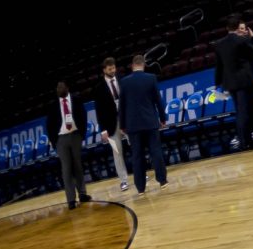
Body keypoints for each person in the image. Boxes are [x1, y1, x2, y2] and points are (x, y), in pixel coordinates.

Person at [119, 54, 169, 193]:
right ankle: (162, 180)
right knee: (156, 151)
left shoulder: (124, 82)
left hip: (133, 125)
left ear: (132, 65)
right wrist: (163, 118)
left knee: (137, 156)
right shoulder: (151, 78)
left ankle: (140, 188)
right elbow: (158, 100)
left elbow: (122, 106)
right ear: (144, 64)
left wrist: (122, 125)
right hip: (150, 122)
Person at [214, 15, 253, 150]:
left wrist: (217, 83)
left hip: (230, 83)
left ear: (226, 28)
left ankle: (245, 139)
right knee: (243, 112)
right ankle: (244, 141)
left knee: (239, 111)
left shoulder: (219, 44)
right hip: (244, 81)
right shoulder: (241, 40)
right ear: (237, 27)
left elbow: (219, 66)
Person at [44, 80, 92, 209]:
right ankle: (71, 200)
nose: (59, 89)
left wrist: (82, 134)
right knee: (66, 169)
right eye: (58, 88)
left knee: (78, 166)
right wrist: (55, 142)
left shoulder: (76, 100)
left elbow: (83, 116)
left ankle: (82, 194)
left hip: (75, 135)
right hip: (61, 139)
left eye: (61, 87)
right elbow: (49, 125)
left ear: (67, 88)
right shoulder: (53, 105)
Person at [88, 57, 130, 193]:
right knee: (117, 152)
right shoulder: (99, 88)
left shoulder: (123, 79)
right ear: (104, 70)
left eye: (114, 67)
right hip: (111, 125)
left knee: (135, 146)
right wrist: (103, 130)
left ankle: (141, 173)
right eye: (110, 69)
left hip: (127, 119)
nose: (113, 70)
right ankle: (124, 180)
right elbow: (99, 111)